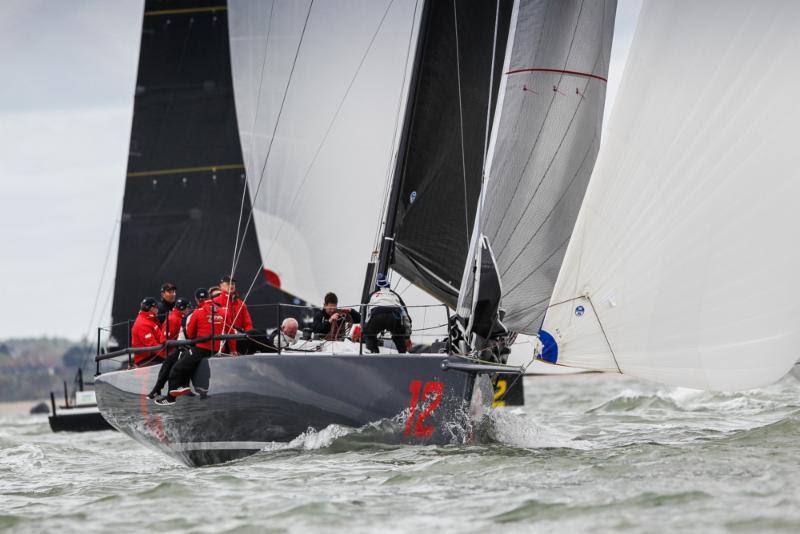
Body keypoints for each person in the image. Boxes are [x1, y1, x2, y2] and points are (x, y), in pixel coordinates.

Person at [158, 297, 227, 405]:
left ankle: (171, 398)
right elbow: (230, 330)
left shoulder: (196, 313)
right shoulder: (222, 311)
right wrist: (232, 350)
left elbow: (189, 334)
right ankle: (199, 391)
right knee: (192, 361)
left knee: (178, 367)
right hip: (218, 349)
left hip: (200, 347)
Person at [147, 298, 190, 399]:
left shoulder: (179, 317)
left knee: (169, 364)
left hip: (180, 349)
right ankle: (159, 389)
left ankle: (157, 389)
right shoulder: (173, 319)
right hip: (175, 350)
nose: (189, 310)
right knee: (170, 363)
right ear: (183, 309)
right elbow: (164, 339)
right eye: (188, 308)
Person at [363, 274, 411, 354]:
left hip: (377, 315)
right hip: (394, 316)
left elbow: (366, 314)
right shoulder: (395, 295)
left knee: (369, 334)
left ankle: (373, 354)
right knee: (398, 336)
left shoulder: (372, 295)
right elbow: (405, 316)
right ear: (388, 284)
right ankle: (403, 355)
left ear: (377, 285)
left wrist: (363, 328)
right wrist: (407, 336)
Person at [213, 275, 253, 354]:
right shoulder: (215, 302)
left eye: (233, 283)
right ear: (220, 286)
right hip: (223, 339)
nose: (231, 285)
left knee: (256, 334)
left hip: (240, 337)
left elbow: (248, 324)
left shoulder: (241, 304)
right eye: (228, 283)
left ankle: (273, 352)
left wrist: (248, 335)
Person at [131, 297, 165, 367]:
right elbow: (152, 345)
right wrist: (167, 354)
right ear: (151, 308)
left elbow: (159, 337)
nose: (157, 309)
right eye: (156, 307)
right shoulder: (143, 323)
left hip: (154, 356)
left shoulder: (150, 319)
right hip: (147, 359)